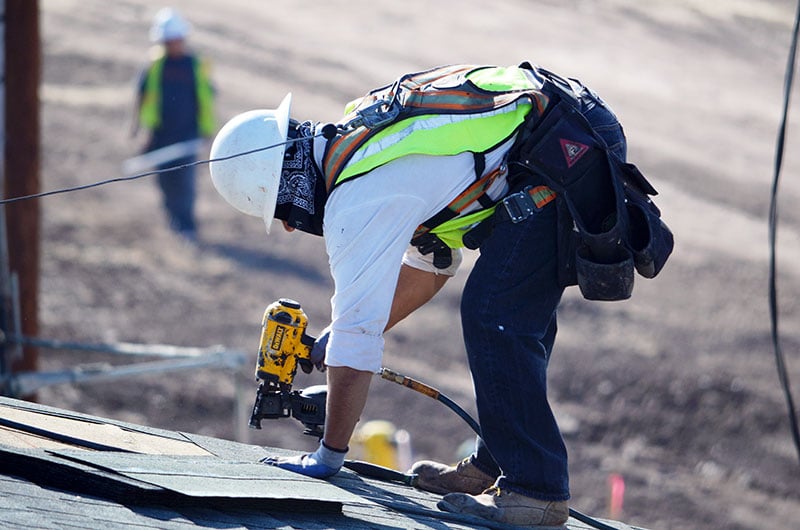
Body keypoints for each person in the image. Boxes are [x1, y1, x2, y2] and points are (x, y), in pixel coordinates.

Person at [208, 62, 672, 528]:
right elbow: (433, 264)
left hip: (561, 155)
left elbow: (359, 339)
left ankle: (535, 491)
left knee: (494, 314)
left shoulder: (357, 198)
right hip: (563, 134)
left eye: (283, 213)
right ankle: (496, 467)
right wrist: (343, 333)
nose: (291, 226)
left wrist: (328, 457)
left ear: (288, 194)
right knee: (509, 313)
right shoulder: (359, 141)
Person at [133, 7, 216, 241]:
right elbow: (142, 97)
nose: (173, 44)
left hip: (187, 136)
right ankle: (173, 219)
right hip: (161, 136)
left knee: (184, 183)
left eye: (176, 40)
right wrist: (141, 131)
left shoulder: (196, 66)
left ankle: (187, 225)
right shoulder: (155, 66)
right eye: (168, 41)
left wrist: (206, 130)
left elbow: (207, 99)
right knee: (165, 181)